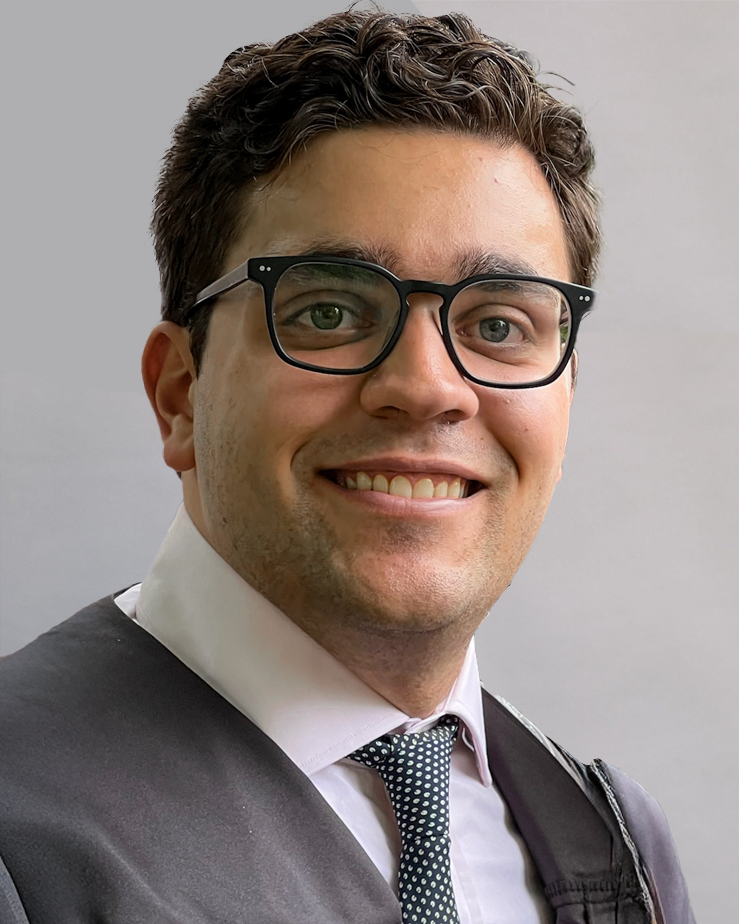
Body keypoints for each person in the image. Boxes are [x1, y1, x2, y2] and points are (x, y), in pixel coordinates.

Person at [0, 9, 695, 924]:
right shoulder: (23, 835)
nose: (425, 388)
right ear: (178, 392)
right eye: (328, 311)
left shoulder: (613, 843)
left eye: (497, 326)